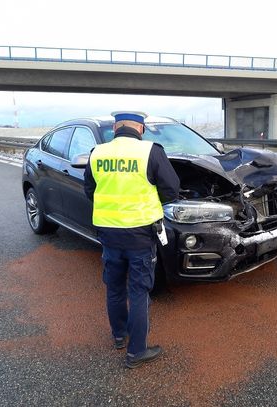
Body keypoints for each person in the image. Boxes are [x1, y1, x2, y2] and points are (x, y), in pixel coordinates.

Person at [83, 111, 179, 368]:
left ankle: (118, 336)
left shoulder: (98, 153)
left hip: (108, 232)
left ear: (115, 128)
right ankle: (137, 351)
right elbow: (172, 190)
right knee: (138, 290)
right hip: (140, 233)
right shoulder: (151, 151)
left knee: (114, 287)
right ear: (141, 128)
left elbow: (90, 190)